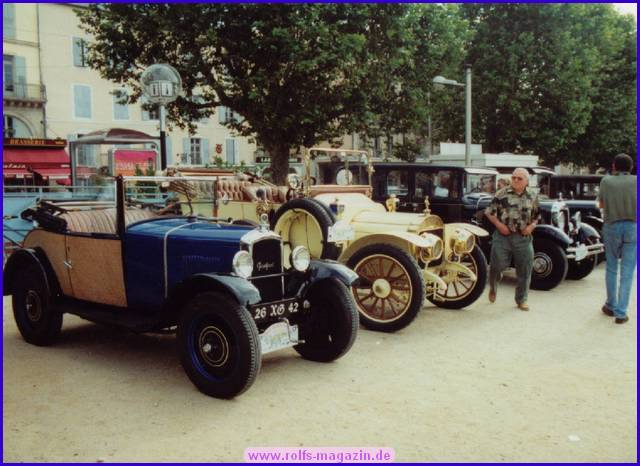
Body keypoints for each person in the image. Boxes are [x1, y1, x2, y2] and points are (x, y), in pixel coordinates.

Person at [484, 168, 539, 311]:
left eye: (519, 178)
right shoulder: (501, 193)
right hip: (503, 237)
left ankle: (522, 299)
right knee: (496, 266)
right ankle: (493, 288)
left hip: (523, 238)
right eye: (513, 177)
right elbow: (489, 212)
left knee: (525, 269)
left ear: (527, 181)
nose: (515, 180)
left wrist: (531, 227)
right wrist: (499, 225)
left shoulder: (533, 195)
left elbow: (537, 216)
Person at [599, 153, 637, 324]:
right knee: (628, 271)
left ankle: (611, 304)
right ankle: (621, 312)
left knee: (612, 267)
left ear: (614, 166)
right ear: (631, 167)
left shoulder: (606, 181)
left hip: (612, 225)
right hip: (633, 227)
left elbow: (601, 204)